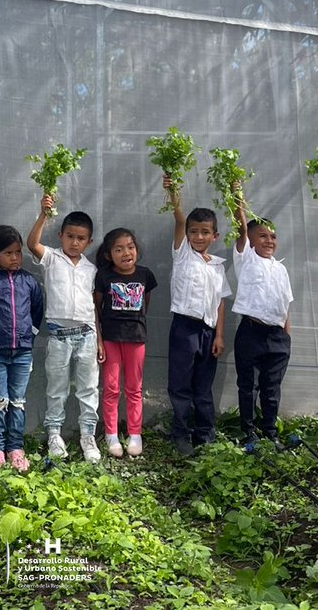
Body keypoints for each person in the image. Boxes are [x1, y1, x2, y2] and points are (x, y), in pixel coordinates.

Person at [27, 194, 100, 462]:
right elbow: (32, 243)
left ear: (89, 242)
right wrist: (44, 213)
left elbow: (94, 307)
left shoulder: (91, 269)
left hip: (87, 334)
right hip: (58, 335)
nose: (74, 242)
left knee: (88, 387)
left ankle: (87, 435)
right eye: (70, 236)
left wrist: (99, 340)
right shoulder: (52, 258)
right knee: (57, 387)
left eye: (81, 238)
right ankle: (54, 434)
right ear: (61, 235)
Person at [163, 177, 232, 456]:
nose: (199, 236)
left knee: (203, 385)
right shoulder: (182, 255)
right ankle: (181, 434)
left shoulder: (217, 267)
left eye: (205, 232)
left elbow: (220, 303)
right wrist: (174, 194)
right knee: (181, 384)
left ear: (215, 236)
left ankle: (206, 433)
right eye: (195, 231)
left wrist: (218, 335)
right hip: (184, 328)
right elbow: (179, 221)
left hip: (208, 331)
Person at [0, 225, 44, 472]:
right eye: (8, 253)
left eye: (18, 252)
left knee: (17, 401)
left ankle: (15, 447)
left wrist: (30, 333)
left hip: (23, 351)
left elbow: (38, 309)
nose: (15, 257)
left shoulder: (29, 281)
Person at [231, 187, 293, 446]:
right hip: (251, 332)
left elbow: (286, 304)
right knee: (249, 385)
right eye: (262, 236)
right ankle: (249, 432)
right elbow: (241, 228)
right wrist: (238, 198)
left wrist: (286, 337)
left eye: (273, 236)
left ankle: (270, 431)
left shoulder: (281, 269)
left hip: (277, 337)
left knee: (271, 388)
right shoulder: (246, 260)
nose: (269, 241)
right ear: (251, 240)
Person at [94, 228, 157, 458]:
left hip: (136, 339)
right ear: (109, 255)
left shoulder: (145, 275)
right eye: (119, 249)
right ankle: (111, 434)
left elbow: (145, 304)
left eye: (130, 247)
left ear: (137, 250)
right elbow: (97, 308)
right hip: (111, 339)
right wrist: (100, 339)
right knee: (111, 388)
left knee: (135, 389)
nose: (126, 253)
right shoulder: (103, 276)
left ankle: (135, 434)